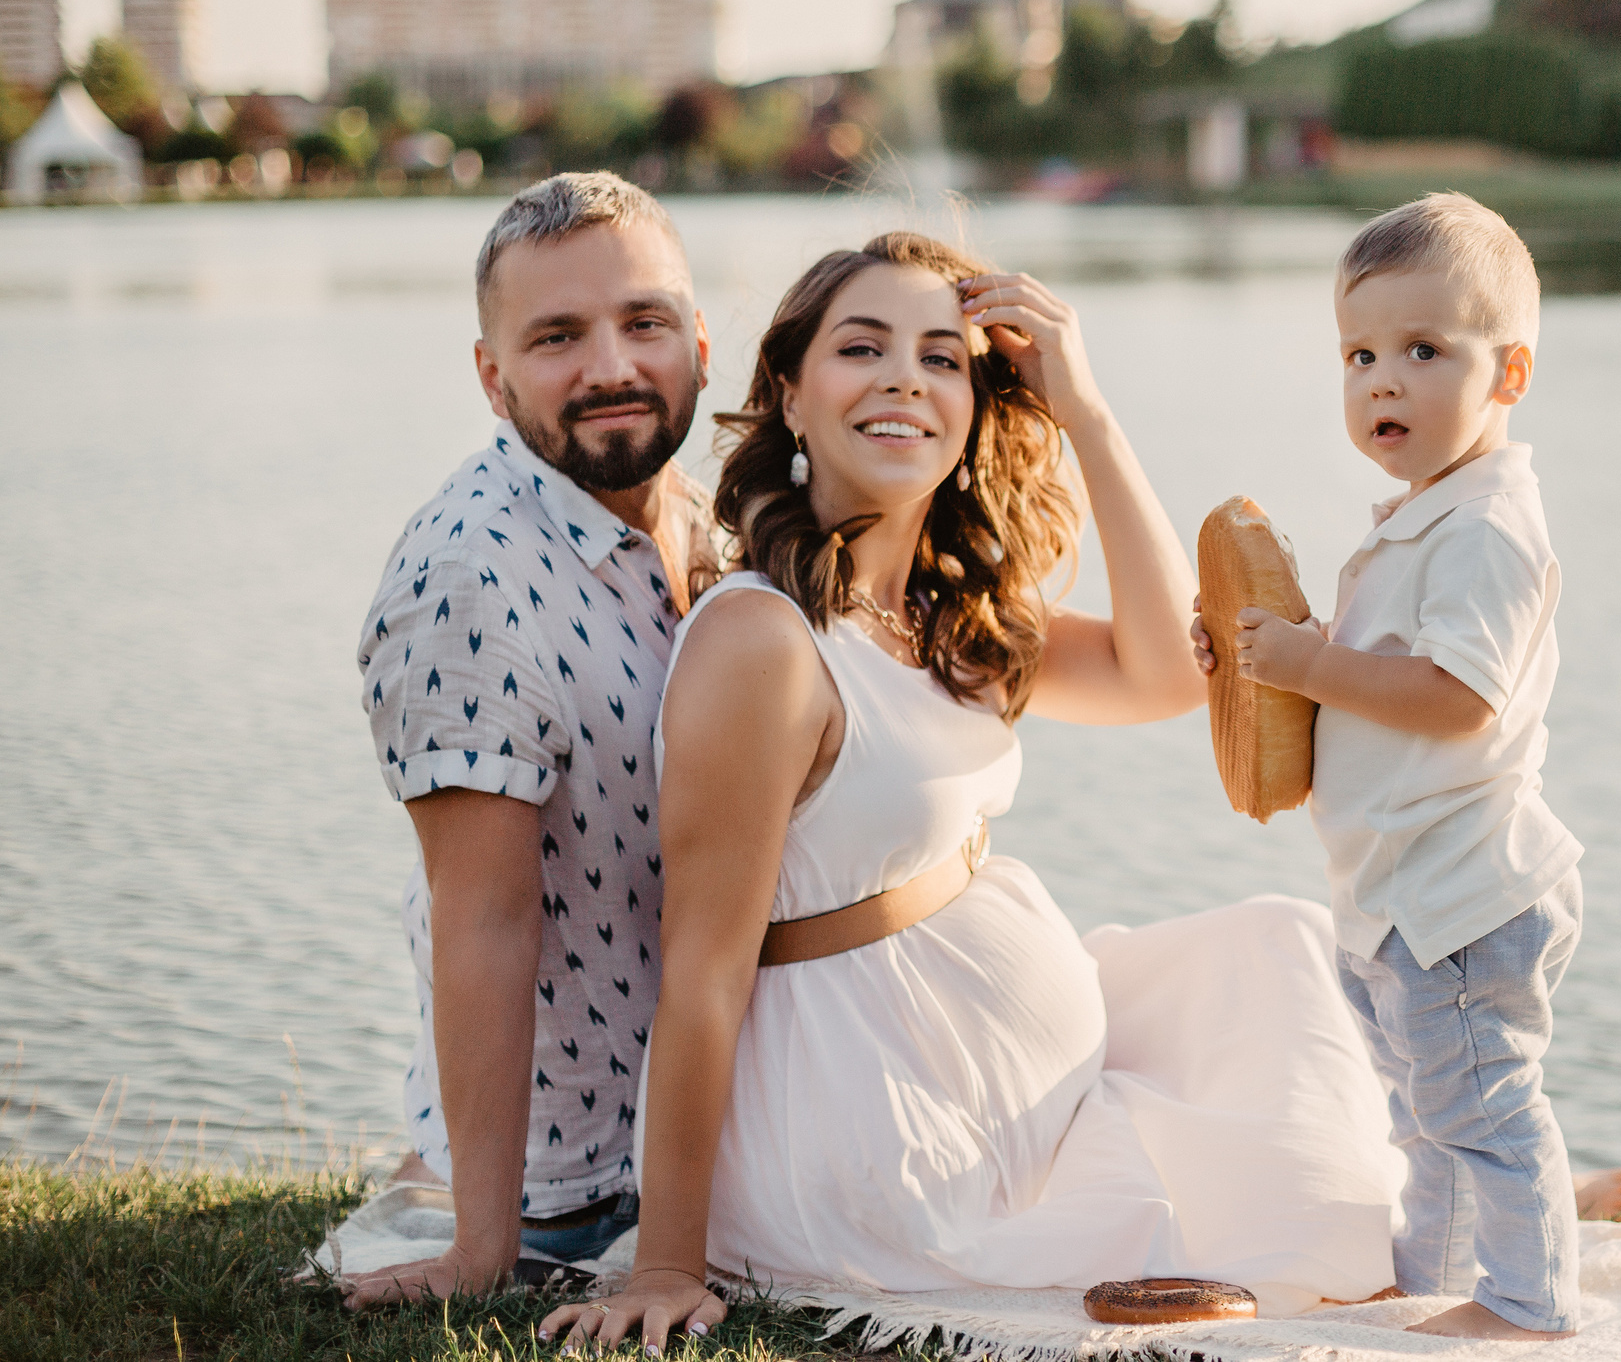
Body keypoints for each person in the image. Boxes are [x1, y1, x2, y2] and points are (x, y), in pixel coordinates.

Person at [541, 234, 1411, 1357]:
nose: (906, 377)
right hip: (876, 1124)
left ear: (973, 409)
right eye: (863, 348)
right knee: (1295, 1204)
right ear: (792, 399)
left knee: (1280, 954)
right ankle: (1438, 1194)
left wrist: (1087, 412)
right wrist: (664, 1263)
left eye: (943, 358)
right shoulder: (764, 639)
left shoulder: (944, 618)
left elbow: (1162, 675)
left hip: (976, 1072)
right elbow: (703, 965)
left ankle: (1453, 1177)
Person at [1212, 193, 1591, 1341]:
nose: (1383, 380)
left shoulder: (1484, 528)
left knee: (1482, 1109)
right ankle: (1433, 1281)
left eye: (1424, 351)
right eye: (1360, 354)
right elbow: (1364, 686)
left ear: (1509, 373)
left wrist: (1314, 660)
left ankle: (1530, 1308)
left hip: (1462, 894)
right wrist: (1257, 667)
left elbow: (1458, 702)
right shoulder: (1424, 516)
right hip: (1394, 894)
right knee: (1423, 1116)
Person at [344, 173, 717, 1306]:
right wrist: (482, 1251)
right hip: (592, 1173)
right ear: (492, 378)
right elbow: (485, 920)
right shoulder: (467, 580)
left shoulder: (708, 517)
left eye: (642, 322)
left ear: (699, 341)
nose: (611, 366)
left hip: (716, 1099)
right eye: (558, 336)